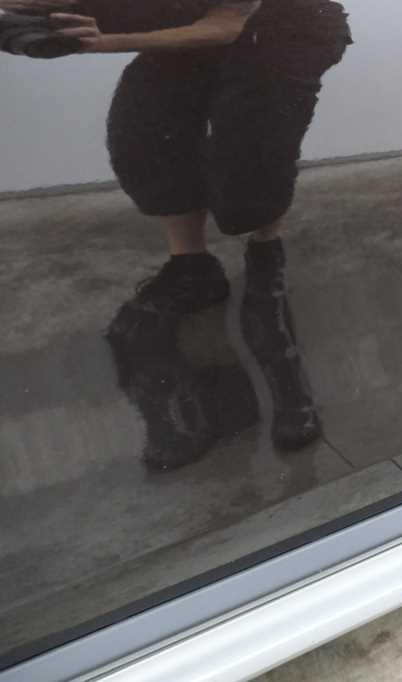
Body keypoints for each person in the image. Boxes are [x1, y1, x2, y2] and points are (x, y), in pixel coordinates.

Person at [2, 0, 352, 468]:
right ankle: (192, 265)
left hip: (287, 24)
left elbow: (226, 24)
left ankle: (266, 258)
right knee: (144, 125)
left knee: (253, 147)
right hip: (201, 13)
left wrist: (104, 40)